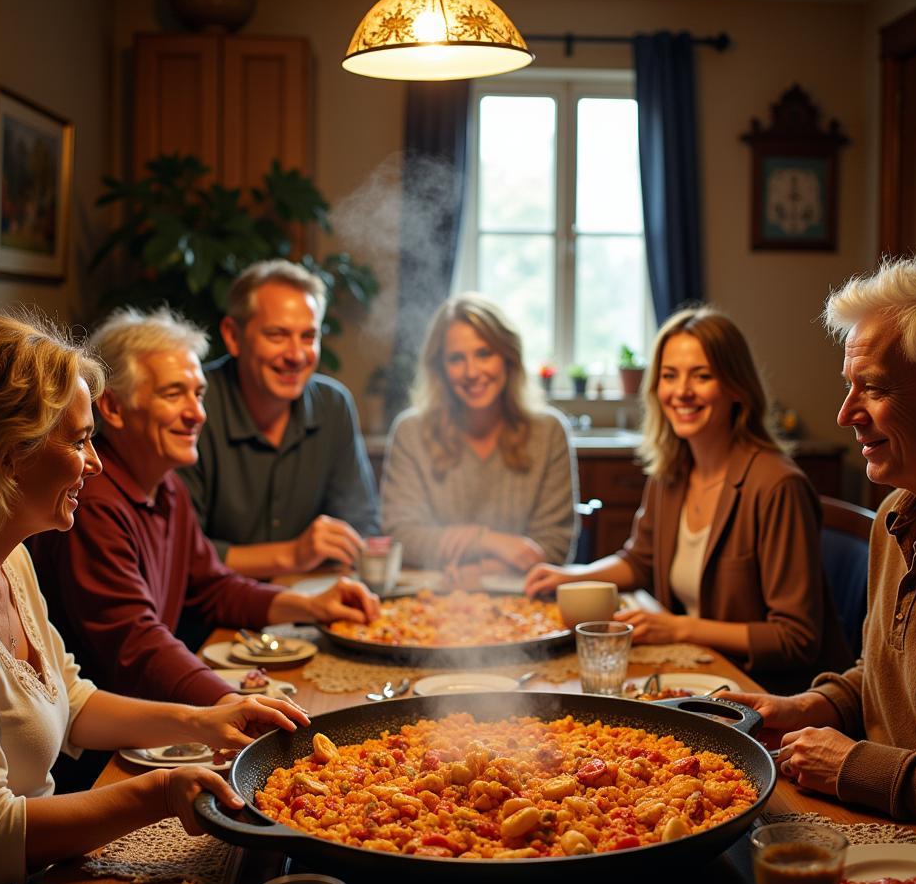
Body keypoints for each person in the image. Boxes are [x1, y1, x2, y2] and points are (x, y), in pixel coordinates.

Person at [0, 313, 309, 884]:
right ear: (7, 452)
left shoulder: (8, 558)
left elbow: (69, 701)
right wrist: (159, 791)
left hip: (23, 876)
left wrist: (204, 720)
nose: (95, 464)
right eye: (79, 441)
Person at [29, 308, 378, 709]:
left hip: (158, 710)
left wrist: (309, 605)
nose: (197, 414)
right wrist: (232, 702)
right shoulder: (93, 502)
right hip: (104, 746)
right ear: (112, 408)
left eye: (198, 394)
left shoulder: (166, 486)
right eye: (173, 394)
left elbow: (213, 587)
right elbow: (136, 646)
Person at [723, 253, 916, 832]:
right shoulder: (896, 516)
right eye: (849, 387)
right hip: (878, 825)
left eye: (872, 388)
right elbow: (883, 675)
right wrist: (810, 705)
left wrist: (857, 765)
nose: (846, 413)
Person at [526, 306, 850, 685]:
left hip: (770, 692)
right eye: (669, 376)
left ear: (735, 387)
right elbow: (639, 561)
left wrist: (678, 628)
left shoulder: (777, 485)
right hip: (702, 671)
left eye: (702, 376)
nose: (681, 392)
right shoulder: (672, 472)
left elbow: (796, 639)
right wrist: (570, 576)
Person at [177, 259, 380, 578]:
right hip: (208, 616)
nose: (296, 355)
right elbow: (180, 551)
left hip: (306, 603)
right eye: (277, 335)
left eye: (308, 336)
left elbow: (361, 525)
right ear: (232, 335)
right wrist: (291, 556)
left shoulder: (334, 404)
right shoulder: (192, 406)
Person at [381, 292, 578, 581]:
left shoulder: (549, 432)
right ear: (440, 368)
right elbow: (401, 536)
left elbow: (553, 547)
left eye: (484, 354)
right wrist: (486, 541)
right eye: (456, 359)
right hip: (433, 603)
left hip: (527, 603)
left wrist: (475, 569)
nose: (472, 372)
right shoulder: (411, 432)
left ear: (508, 358)